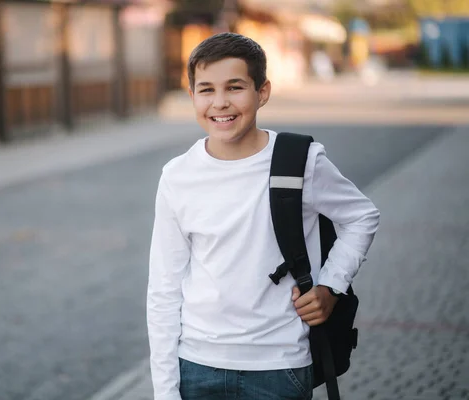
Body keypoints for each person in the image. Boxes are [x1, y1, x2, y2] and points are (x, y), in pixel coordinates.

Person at [146, 32, 380, 400]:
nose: (220, 103)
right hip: (196, 366)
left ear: (262, 92)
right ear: (192, 95)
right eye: (206, 90)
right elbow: (163, 288)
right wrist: (165, 391)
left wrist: (332, 286)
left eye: (235, 87)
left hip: (279, 367)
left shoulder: (300, 160)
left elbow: (362, 216)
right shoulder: (177, 175)